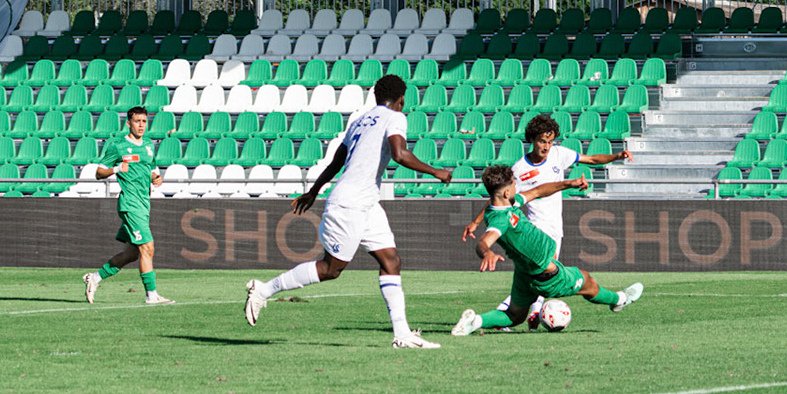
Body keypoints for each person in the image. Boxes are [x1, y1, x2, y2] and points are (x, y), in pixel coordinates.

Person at [242, 74, 450, 348]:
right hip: (351, 202)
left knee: (392, 261)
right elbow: (399, 154)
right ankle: (264, 290)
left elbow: (336, 162)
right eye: (403, 101)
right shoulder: (396, 117)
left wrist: (314, 190)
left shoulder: (359, 120)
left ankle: (402, 335)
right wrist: (435, 171)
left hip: (366, 202)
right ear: (401, 99)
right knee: (331, 269)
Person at [460, 114, 631, 326]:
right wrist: (477, 223)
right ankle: (533, 310)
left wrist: (616, 157)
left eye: (550, 141)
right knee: (548, 275)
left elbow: (591, 161)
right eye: (542, 141)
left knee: (534, 280)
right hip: (534, 228)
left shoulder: (559, 154)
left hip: (555, 227)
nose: (546, 146)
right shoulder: (519, 170)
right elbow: (498, 200)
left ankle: (518, 313)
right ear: (532, 139)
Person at [450, 164, 643, 336]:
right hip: (546, 275)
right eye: (514, 184)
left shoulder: (506, 203)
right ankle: (619, 299)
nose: (517, 188)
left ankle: (475, 321)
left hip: (524, 274)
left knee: (514, 316)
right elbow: (483, 241)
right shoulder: (499, 219)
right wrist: (487, 253)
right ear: (507, 192)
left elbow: (537, 191)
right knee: (587, 280)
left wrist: (567, 184)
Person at [84, 105, 173, 305]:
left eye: (144, 121)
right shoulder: (117, 146)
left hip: (143, 204)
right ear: (128, 123)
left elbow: (152, 167)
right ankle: (152, 295)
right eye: (137, 121)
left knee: (132, 253)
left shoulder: (149, 145)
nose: (141, 125)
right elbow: (99, 173)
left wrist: (156, 178)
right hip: (130, 204)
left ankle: (95, 278)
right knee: (147, 247)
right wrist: (116, 168)